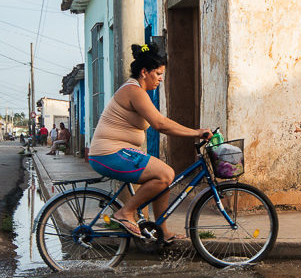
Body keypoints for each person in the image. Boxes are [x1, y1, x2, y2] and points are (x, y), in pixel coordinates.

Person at [88, 43, 211, 241]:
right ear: (144, 72)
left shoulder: (137, 91)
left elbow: (160, 122)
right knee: (165, 173)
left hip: (117, 153)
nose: (161, 79)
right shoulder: (133, 91)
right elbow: (160, 124)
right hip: (108, 154)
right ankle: (125, 213)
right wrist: (196, 132)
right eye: (158, 73)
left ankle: (161, 230)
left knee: (163, 179)